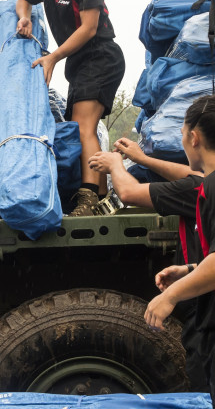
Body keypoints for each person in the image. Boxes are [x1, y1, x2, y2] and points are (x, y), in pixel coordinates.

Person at [89, 95, 215, 400]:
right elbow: (193, 177)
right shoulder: (204, 184)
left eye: (182, 135)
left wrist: (115, 164)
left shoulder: (204, 188)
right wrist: (190, 270)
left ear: (193, 138)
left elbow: (129, 191)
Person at [16, 0, 125, 216]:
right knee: (81, 126)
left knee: (82, 127)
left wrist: (53, 58)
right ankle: (104, 197)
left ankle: (88, 197)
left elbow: (89, 28)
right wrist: (24, 18)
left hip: (101, 54)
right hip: (78, 60)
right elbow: (23, 0)